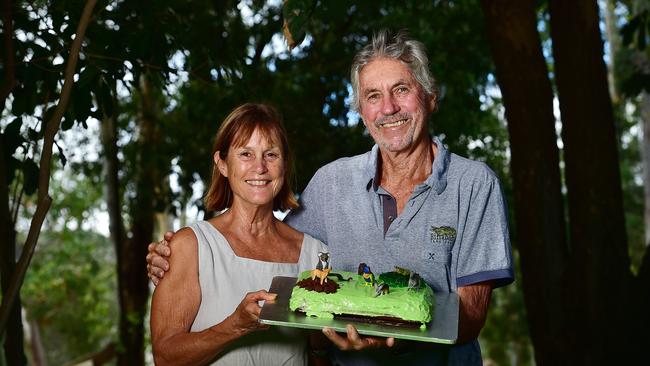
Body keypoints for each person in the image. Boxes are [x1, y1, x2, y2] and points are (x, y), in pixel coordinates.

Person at [148, 29, 514, 365]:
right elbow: (267, 244)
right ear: (362, 112)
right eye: (373, 96)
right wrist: (175, 257)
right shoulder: (332, 182)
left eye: (401, 89)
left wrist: (391, 338)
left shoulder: (474, 185)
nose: (388, 108)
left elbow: (469, 319)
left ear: (430, 97)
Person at [149, 103, 328, 366]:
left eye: (271, 154)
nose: (260, 167)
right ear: (222, 163)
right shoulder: (191, 246)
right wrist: (234, 326)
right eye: (246, 154)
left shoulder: (316, 255)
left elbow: (318, 357)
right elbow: (165, 358)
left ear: (285, 164)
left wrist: (321, 345)